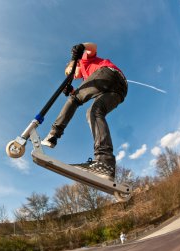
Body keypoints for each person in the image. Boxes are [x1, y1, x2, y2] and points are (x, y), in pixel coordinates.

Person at [41, 43, 128, 181]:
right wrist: (72, 91)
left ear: (75, 64)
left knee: (74, 99)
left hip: (108, 74)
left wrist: (81, 46)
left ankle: (53, 134)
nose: (71, 76)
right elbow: (86, 90)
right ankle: (105, 163)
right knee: (94, 112)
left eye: (70, 71)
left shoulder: (84, 61)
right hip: (120, 90)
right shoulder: (87, 78)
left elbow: (92, 47)